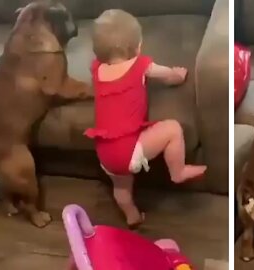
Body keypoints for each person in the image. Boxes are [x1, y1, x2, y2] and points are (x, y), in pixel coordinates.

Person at [84, 9, 206, 229]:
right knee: (173, 129)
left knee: (121, 188)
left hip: (105, 153)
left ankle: (132, 216)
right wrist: (178, 75)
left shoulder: (96, 69)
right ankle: (177, 172)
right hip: (129, 149)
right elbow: (169, 76)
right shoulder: (141, 66)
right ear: (137, 47)